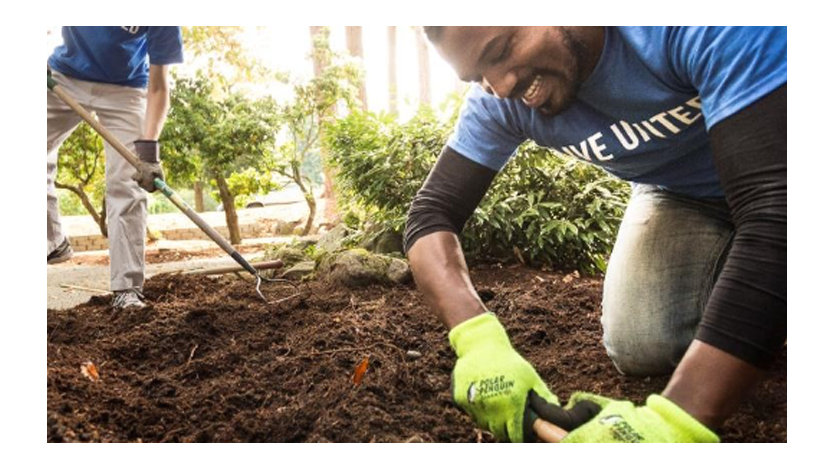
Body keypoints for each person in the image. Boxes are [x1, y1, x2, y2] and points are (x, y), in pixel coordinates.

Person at [404, 27, 786, 442]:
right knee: (640, 341)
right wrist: (477, 341)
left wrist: (674, 424)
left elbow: (778, 208)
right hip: (684, 194)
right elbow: (431, 214)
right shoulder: (500, 102)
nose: (499, 85)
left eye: (501, 50)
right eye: (477, 75)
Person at [47, 26, 184, 309]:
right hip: (64, 76)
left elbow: (159, 85)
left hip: (126, 88)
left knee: (128, 184)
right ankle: (52, 240)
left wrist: (148, 149)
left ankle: (127, 289)